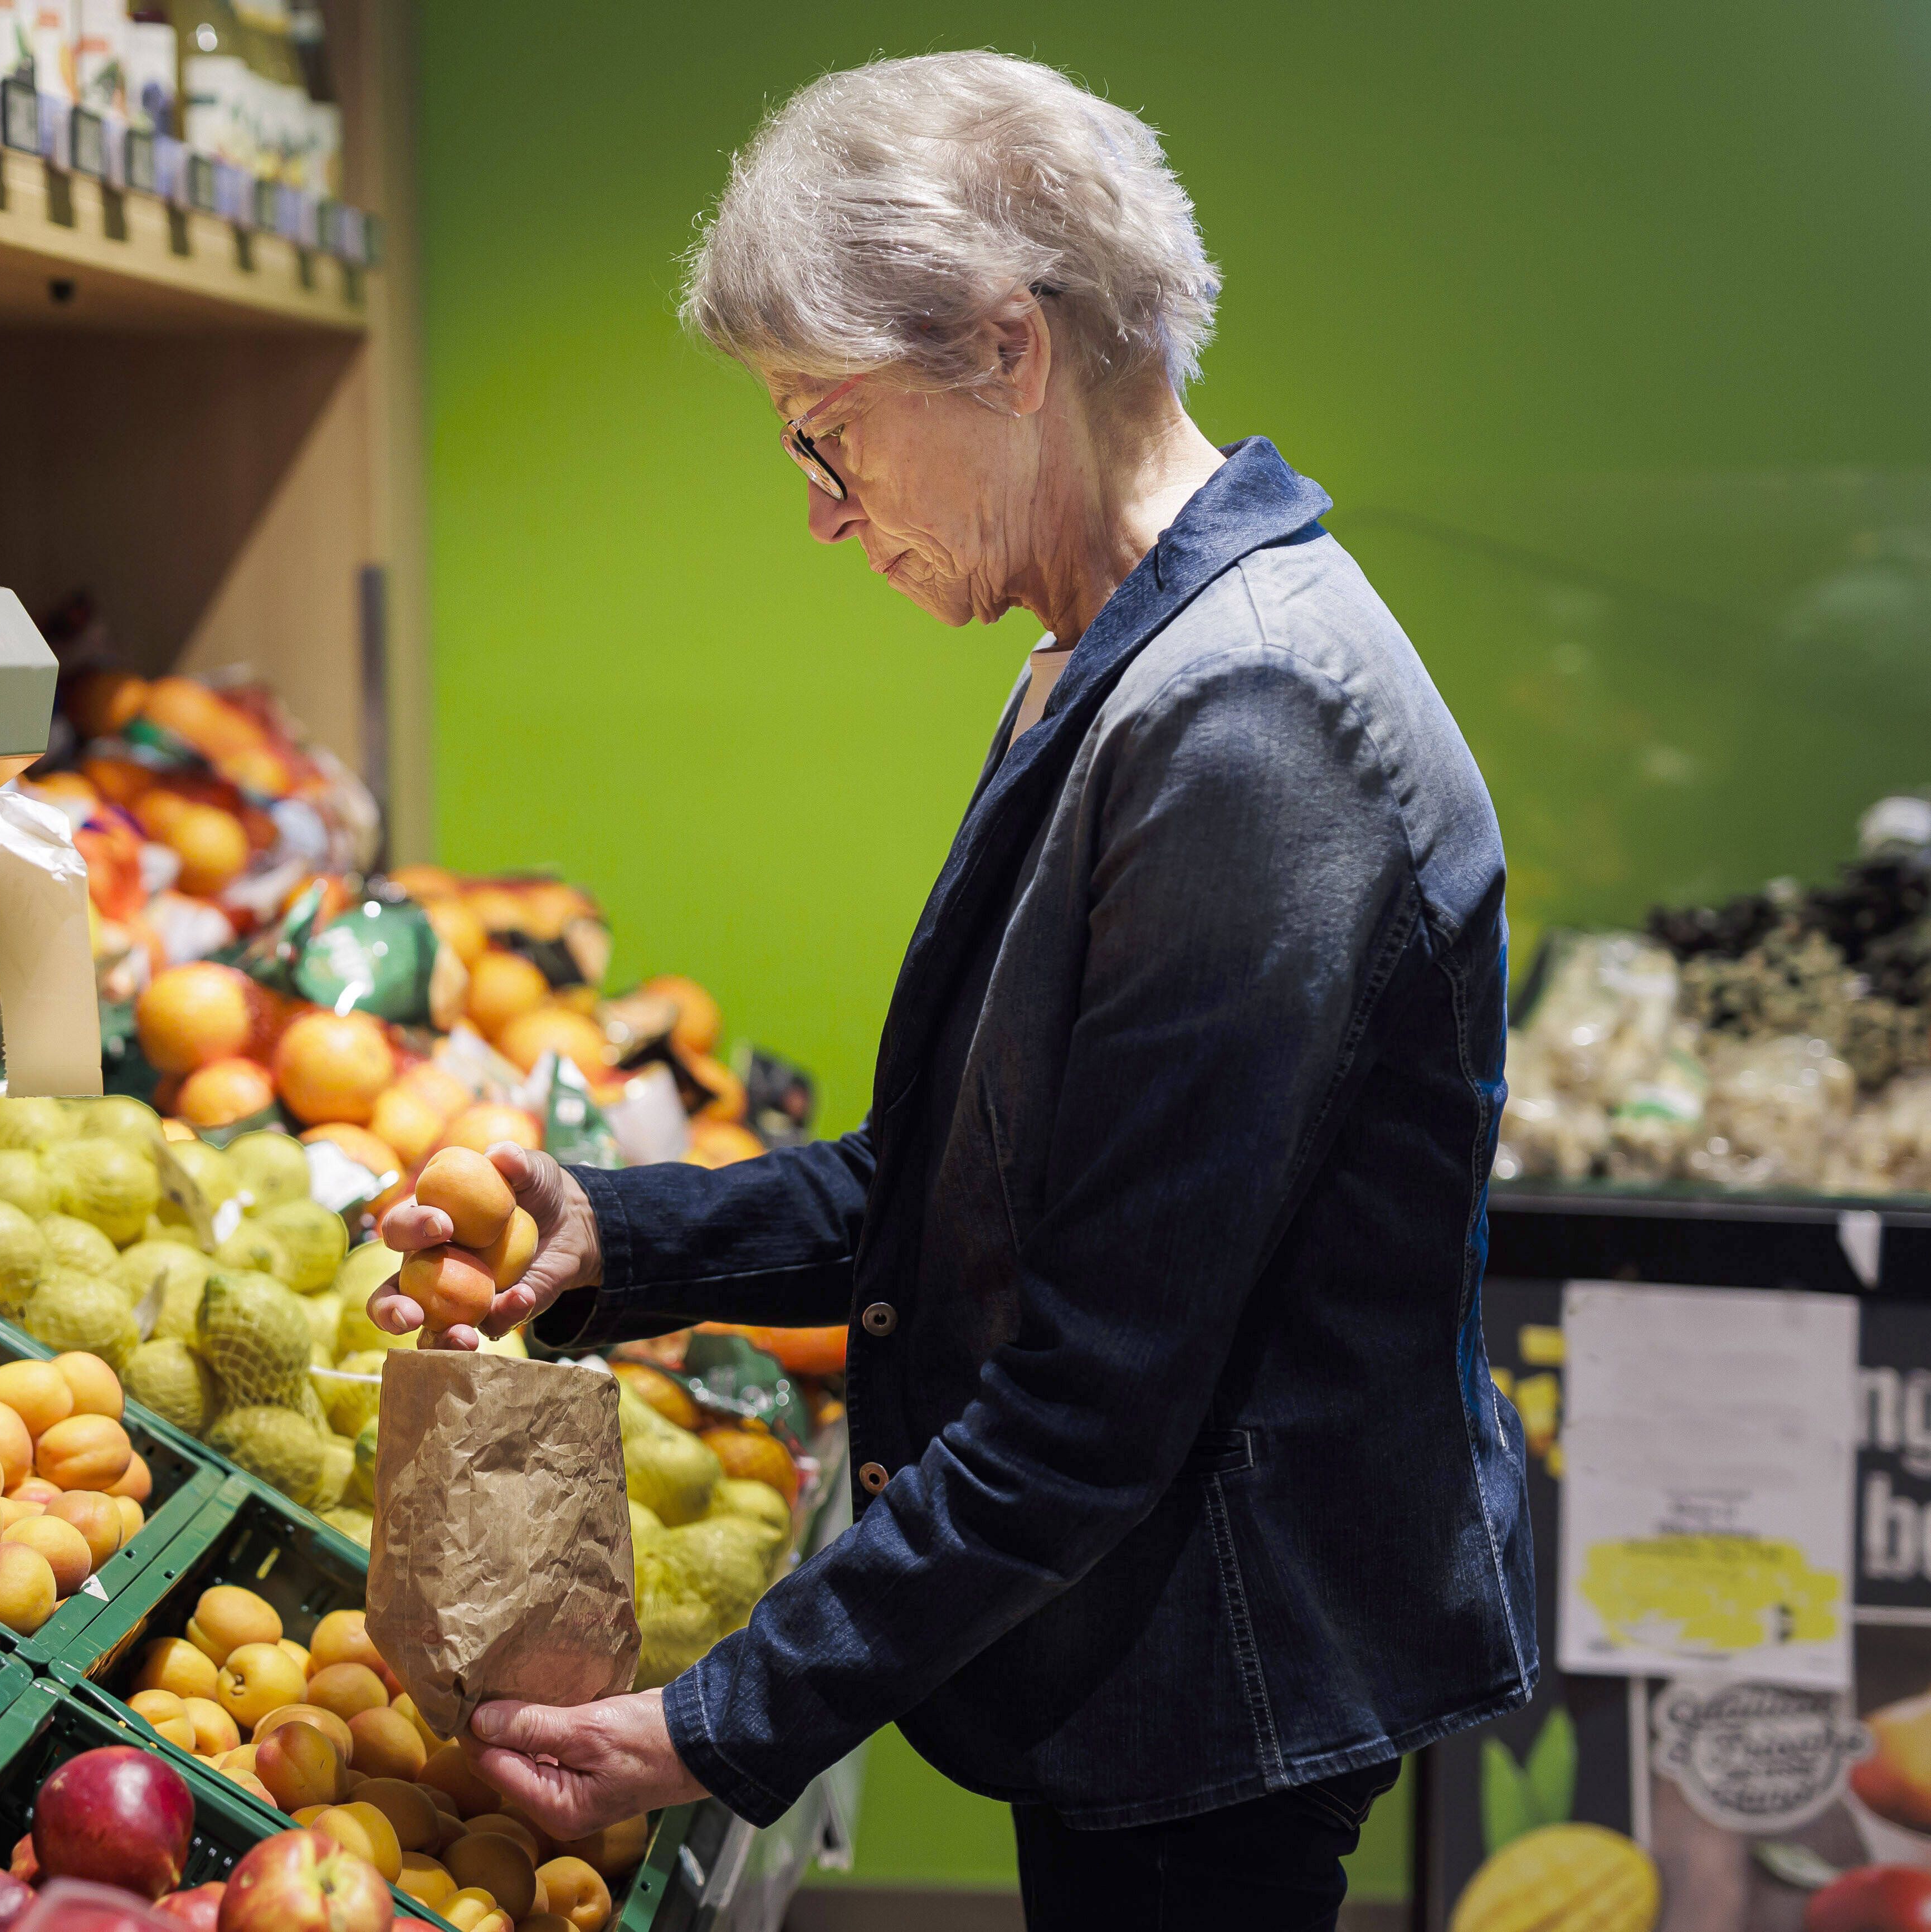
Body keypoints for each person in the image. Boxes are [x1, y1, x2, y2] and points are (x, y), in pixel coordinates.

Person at [364, 51, 1536, 1931]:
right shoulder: (1103, 658)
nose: (821, 509)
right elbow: (971, 1174)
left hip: (1216, 1670)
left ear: (1007, 350)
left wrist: (723, 1722)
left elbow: (1098, 1386)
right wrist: (614, 1232)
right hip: (1140, 1631)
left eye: (826, 429)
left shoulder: (1245, 720)